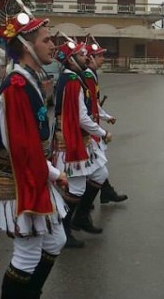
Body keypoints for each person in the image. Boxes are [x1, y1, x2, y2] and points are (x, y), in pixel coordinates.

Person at [0, 0, 67, 297]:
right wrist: (54, 173)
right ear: (26, 46)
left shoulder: (29, 79)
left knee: (55, 242)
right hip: (19, 179)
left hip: (32, 173)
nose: (53, 44)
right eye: (45, 40)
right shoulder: (17, 86)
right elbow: (22, 148)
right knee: (27, 255)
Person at [52, 36, 112, 249]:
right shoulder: (71, 80)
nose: (86, 57)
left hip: (80, 137)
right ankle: (64, 230)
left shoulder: (74, 78)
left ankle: (81, 217)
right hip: (71, 139)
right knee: (75, 188)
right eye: (80, 54)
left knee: (100, 174)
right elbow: (81, 116)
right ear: (70, 60)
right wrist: (102, 132)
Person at [81, 35, 128, 205]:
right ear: (91, 58)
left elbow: (94, 103)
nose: (103, 59)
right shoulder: (87, 75)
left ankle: (105, 193)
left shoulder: (92, 75)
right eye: (100, 56)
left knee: (97, 164)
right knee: (97, 164)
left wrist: (106, 117)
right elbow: (88, 106)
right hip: (89, 128)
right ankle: (84, 203)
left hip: (93, 125)